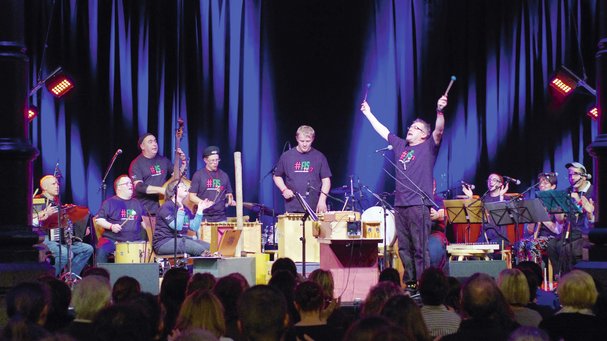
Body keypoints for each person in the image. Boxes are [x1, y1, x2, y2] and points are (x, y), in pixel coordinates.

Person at [361, 95, 447, 284]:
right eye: (411, 126)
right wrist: (368, 113)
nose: (410, 129)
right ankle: (410, 283)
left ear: (424, 134)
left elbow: (439, 130)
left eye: (416, 128)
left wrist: (439, 111)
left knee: (419, 248)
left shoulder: (428, 147)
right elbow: (383, 131)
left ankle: (423, 284)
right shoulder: (401, 146)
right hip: (400, 206)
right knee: (404, 249)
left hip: (418, 205)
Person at [33, 175, 93, 277]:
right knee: (65, 253)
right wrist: (43, 213)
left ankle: (69, 279)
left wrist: (78, 230)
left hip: (58, 239)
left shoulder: (57, 203)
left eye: (57, 183)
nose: (57, 186)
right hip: (44, 237)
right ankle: (49, 279)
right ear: (45, 187)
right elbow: (32, 220)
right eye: (53, 184)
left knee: (87, 249)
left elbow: (61, 222)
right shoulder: (38, 200)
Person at [129, 133, 185, 229]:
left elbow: (177, 177)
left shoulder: (163, 160)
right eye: (150, 142)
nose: (154, 144)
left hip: (164, 208)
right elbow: (139, 187)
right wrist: (162, 190)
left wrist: (183, 162)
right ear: (142, 146)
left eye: (155, 141)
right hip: (146, 211)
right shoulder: (136, 164)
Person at [547, 162, 594, 275]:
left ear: (584, 176)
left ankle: (575, 279)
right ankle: (559, 278)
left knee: (568, 248)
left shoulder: (593, 191)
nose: (572, 178)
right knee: (552, 245)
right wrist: (557, 208)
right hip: (570, 232)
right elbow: (560, 220)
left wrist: (581, 204)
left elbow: (593, 219)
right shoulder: (567, 192)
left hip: (586, 233)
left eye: (575, 174)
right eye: (569, 175)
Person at [273, 125, 332, 213]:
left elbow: (326, 181)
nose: (304, 144)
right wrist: (284, 189)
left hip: (314, 207)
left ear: (313, 139)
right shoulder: (287, 156)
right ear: (297, 138)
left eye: (308, 141)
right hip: (292, 207)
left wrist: (322, 200)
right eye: (302, 141)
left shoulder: (319, 157)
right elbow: (276, 176)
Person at [95, 175, 147, 263]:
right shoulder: (109, 202)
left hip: (135, 241)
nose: (130, 185)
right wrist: (111, 226)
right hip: (112, 240)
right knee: (101, 249)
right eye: (127, 183)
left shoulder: (137, 203)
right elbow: (99, 220)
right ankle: (100, 275)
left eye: (131, 183)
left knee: (148, 248)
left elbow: (145, 222)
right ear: (118, 187)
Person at [153, 179, 213, 256]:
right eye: (181, 186)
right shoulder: (166, 207)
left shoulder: (186, 208)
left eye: (184, 185)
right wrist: (180, 212)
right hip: (163, 242)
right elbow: (176, 227)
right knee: (193, 246)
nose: (185, 187)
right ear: (173, 190)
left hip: (179, 240)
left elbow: (194, 227)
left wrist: (200, 210)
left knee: (207, 246)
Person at [515, 172, 564, 265]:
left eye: (545, 183)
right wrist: (532, 218)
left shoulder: (557, 203)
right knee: (519, 244)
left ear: (553, 186)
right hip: (537, 236)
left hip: (552, 238)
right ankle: (523, 271)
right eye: (540, 183)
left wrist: (542, 217)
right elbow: (530, 231)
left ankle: (536, 273)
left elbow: (558, 230)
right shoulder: (537, 202)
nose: (542, 185)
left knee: (532, 245)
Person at [189, 146, 235, 222]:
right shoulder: (198, 175)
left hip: (221, 218)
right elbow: (191, 196)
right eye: (212, 160)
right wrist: (204, 203)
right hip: (203, 217)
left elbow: (228, 194)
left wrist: (229, 200)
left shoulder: (224, 175)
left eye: (217, 160)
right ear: (205, 160)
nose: (215, 163)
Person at [463, 173, 510, 245]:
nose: (491, 181)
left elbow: (502, 216)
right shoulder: (484, 199)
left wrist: (501, 196)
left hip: (500, 237)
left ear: (500, 184)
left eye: (494, 180)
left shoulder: (506, 199)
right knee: (472, 253)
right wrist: (470, 197)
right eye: (489, 180)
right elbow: (474, 215)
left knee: (486, 252)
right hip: (484, 236)